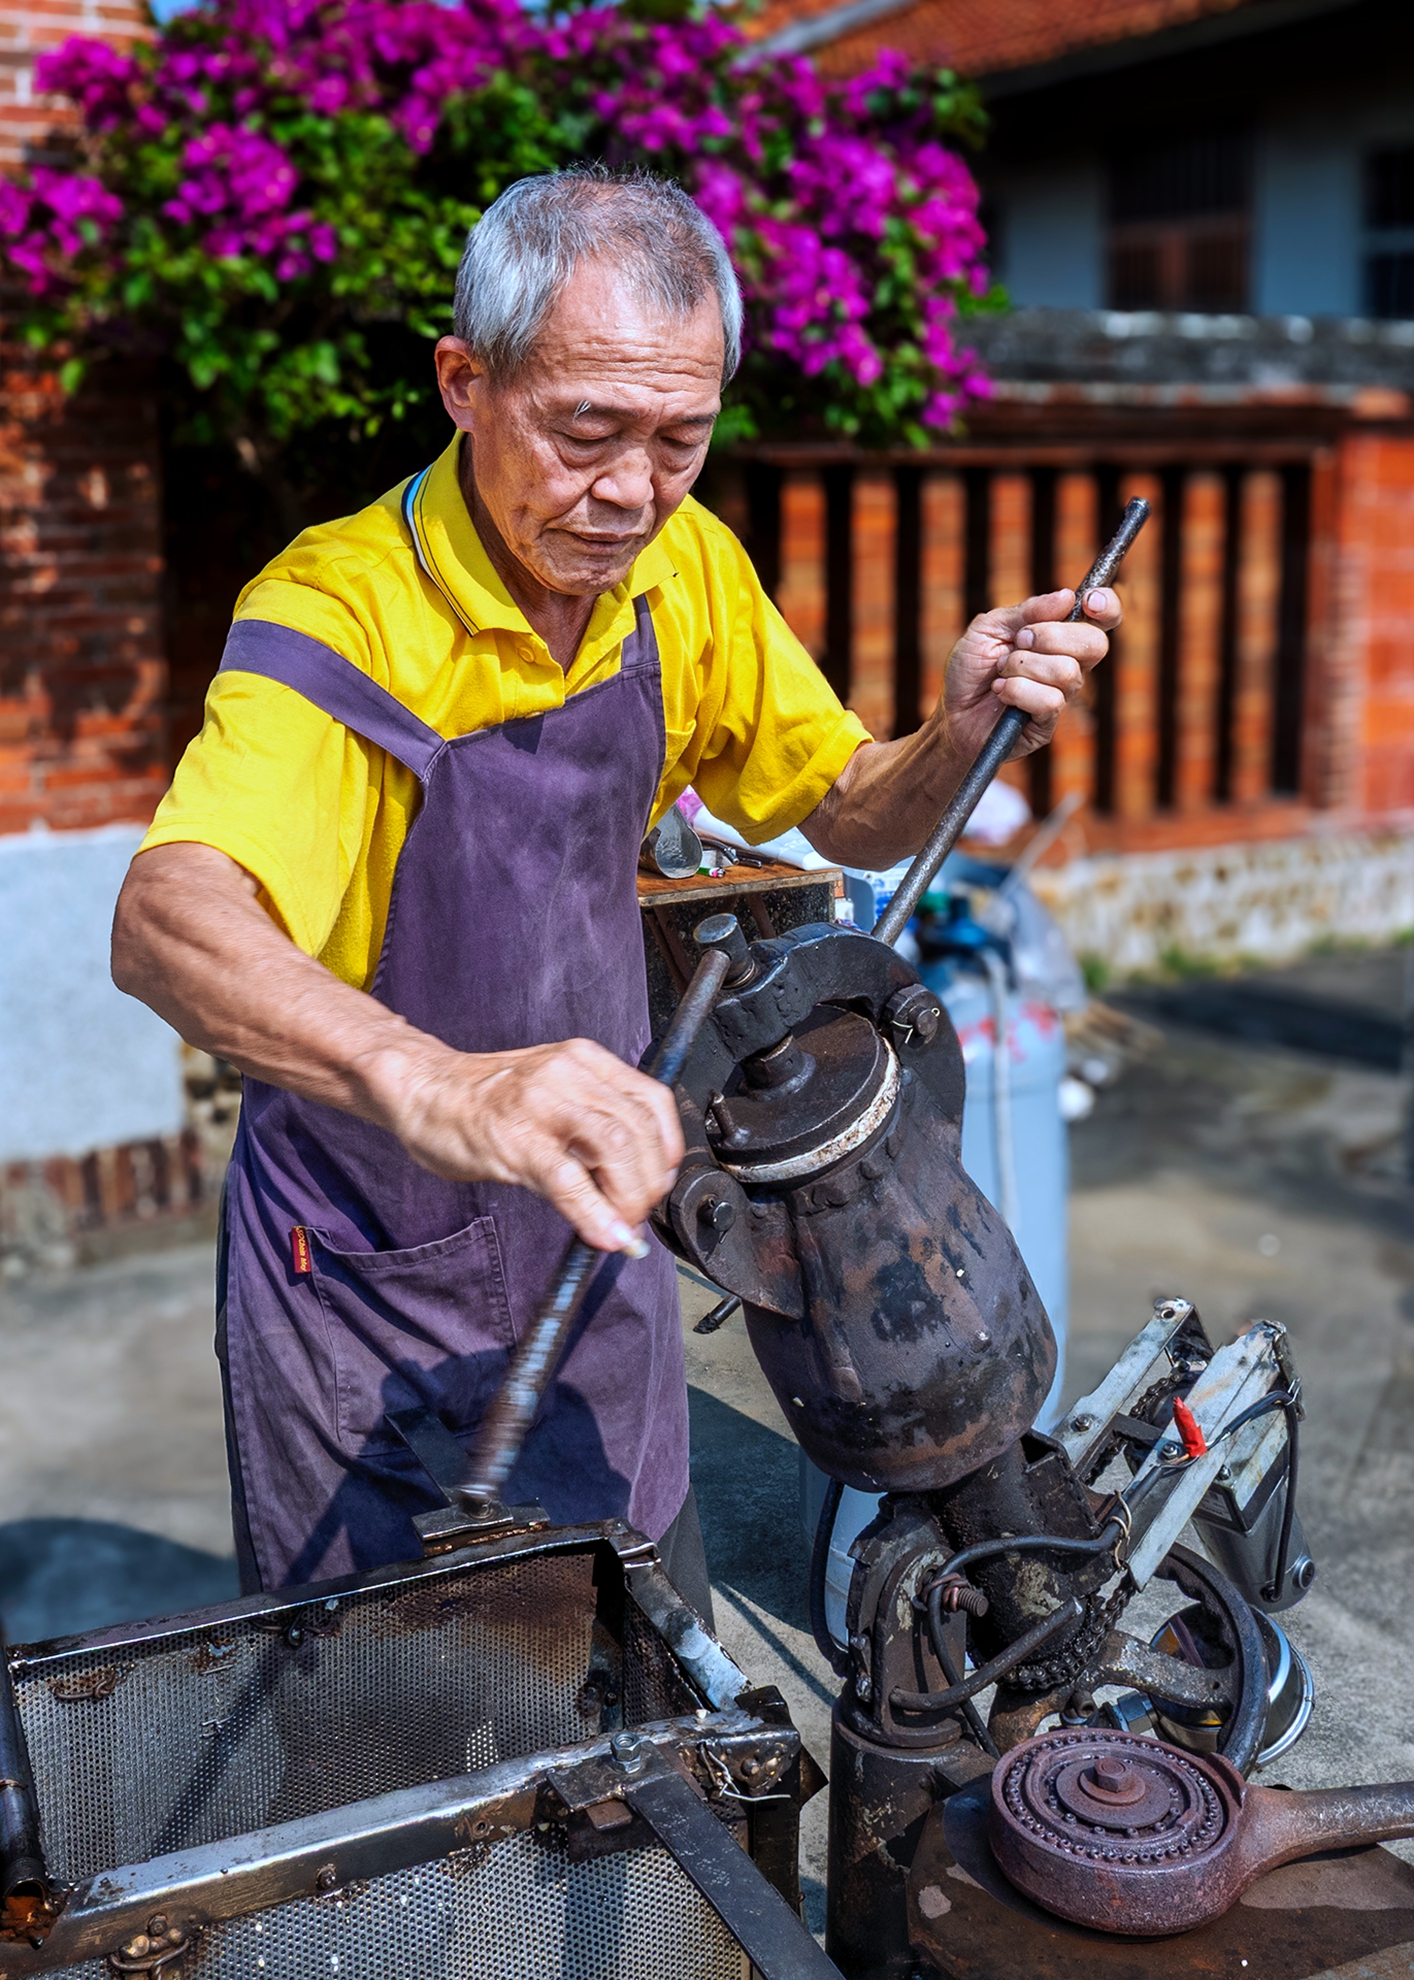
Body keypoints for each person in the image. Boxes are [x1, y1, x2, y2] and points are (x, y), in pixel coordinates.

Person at [112, 167, 1119, 1617]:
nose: (632, 491)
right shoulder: (337, 617)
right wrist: (438, 1083)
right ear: (465, 383)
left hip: (598, 1231)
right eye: (585, 433)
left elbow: (842, 803)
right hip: (374, 1267)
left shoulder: (679, 570)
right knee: (403, 1706)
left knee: (651, 1656)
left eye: (678, 441)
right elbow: (169, 919)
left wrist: (954, 740)